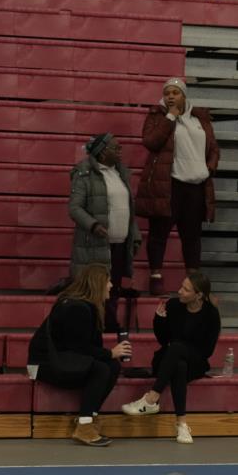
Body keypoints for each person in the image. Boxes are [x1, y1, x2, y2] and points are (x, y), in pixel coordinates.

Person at [28, 263, 131, 446]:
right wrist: (110, 352)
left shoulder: (87, 306)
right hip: (44, 363)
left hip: (61, 358)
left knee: (112, 366)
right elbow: (79, 348)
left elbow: (86, 347)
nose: (111, 286)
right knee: (100, 368)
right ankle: (84, 426)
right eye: (108, 281)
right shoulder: (77, 308)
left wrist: (110, 356)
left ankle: (89, 418)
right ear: (97, 284)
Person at [134, 78, 219, 296]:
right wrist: (170, 117)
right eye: (167, 93)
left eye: (175, 92)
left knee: (192, 237)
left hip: (196, 186)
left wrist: (209, 167)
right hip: (170, 184)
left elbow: (213, 148)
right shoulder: (157, 116)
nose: (171, 96)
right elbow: (151, 142)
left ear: (184, 95)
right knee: (159, 234)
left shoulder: (200, 118)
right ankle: (156, 277)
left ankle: (193, 281)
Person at [121, 272, 221, 444]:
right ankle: (181, 424)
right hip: (169, 359)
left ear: (199, 295)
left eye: (186, 289)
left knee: (177, 350)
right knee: (179, 365)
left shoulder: (211, 314)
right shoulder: (174, 305)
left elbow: (207, 351)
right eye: (181, 286)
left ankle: (152, 398)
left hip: (196, 362)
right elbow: (163, 340)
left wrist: (182, 349)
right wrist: (159, 320)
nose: (180, 291)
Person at [68, 132, 141, 331]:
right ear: (102, 152)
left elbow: (128, 208)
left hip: (119, 243)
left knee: (113, 286)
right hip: (95, 243)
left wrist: (134, 235)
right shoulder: (84, 173)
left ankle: (109, 322)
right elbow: (74, 208)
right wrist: (93, 225)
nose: (120, 151)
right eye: (116, 148)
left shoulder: (121, 173)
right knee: (95, 286)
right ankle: (91, 325)